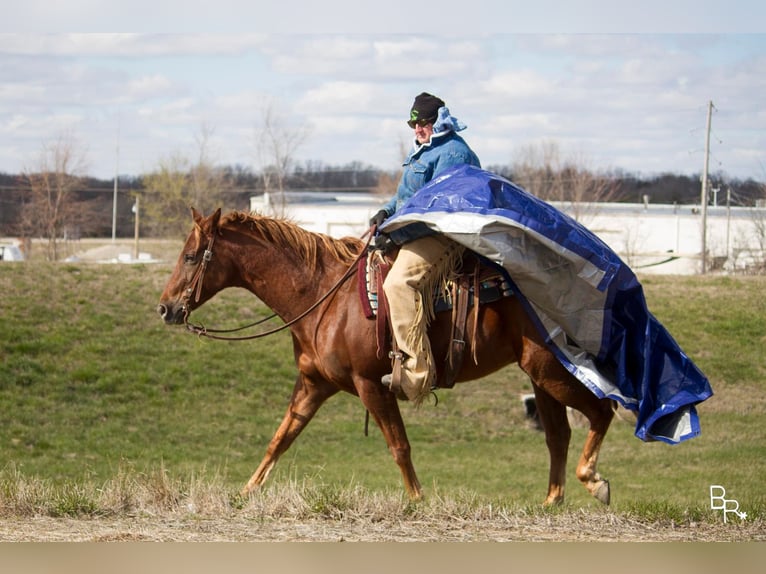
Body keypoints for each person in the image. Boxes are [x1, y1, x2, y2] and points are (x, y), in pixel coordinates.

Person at [370, 92, 481, 403]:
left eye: (425, 122)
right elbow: (408, 198)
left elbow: (438, 212)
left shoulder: (453, 154)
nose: (418, 128)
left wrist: (398, 236)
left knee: (398, 283)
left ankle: (417, 374)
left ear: (439, 121)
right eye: (414, 123)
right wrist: (386, 213)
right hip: (417, 229)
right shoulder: (424, 149)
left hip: (445, 234)